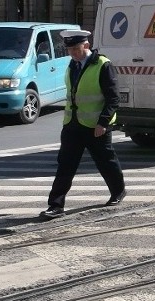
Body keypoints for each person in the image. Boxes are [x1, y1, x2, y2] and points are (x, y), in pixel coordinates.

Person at [41, 29, 126, 219]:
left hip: (96, 126)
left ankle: (118, 191)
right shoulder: (73, 65)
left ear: (86, 46)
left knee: (105, 161)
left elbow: (113, 98)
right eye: (69, 49)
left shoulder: (103, 65)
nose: (72, 53)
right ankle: (55, 204)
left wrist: (103, 122)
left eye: (76, 49)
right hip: (72, 125)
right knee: (65, 164)